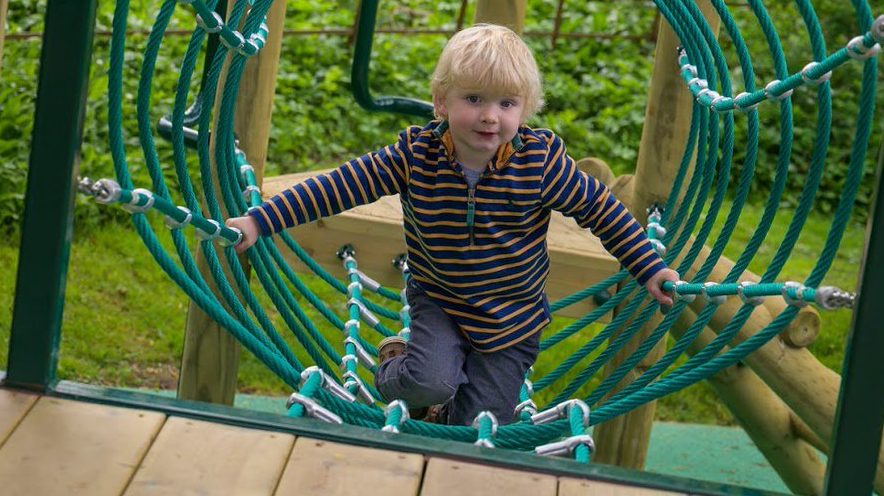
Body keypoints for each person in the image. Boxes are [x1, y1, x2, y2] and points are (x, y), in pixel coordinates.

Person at [227, 23, 679, 426]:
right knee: (427, 383)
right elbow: (338, 187)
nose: (490, 116)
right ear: (441, 102)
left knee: (475, 428)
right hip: (440, 302)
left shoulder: (540, 165)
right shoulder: (415, 155)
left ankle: (444, 420)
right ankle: (396, 365)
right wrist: (260, 221)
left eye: (506, 103)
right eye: (474, 99)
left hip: (512, 320)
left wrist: (649, 268)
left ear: (526, 110)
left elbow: (604, 211)